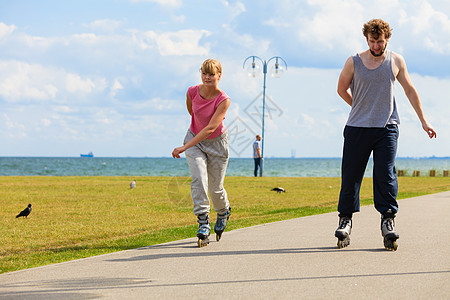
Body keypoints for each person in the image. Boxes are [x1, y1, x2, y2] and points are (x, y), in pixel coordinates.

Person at [335, 19, 437, 251]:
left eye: (380, 41)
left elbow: (410, 89)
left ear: (387, 39)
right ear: (367, 39)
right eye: (373, 41)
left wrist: (424, 120)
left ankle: (388, 220)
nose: (377, 46)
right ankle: (345, 221)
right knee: (351, 175)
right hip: (357, 128)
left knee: (385, 173)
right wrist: (357, 106)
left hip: (387, 128)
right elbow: (341, 88)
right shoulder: (353, 62)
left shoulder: (396, 60)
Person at [172, 59, 232, 247]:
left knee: (215, 188)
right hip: (195, 141)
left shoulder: (223, 100)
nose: (207, 78)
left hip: (217, 144)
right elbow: (192, 112)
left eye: (211, 74)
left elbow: (209, 129)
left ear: (219, 76)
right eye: (204, 74)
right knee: (199, 179)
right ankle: (203, 221)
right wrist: (190, 144)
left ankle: (223, 211)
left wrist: (184, 146)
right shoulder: (191, 91)